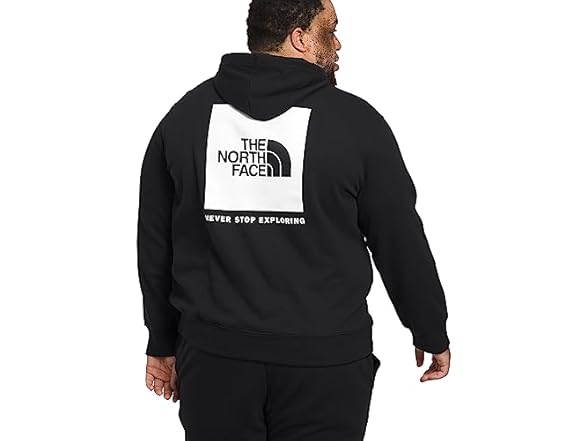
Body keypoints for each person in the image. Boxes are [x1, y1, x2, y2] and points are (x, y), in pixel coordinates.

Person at [137, 0, 451, 439]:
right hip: (324, 368)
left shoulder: (185, 118)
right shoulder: (356, 124)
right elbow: (399, 240)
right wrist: (429, 328)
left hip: (214, 364)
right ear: (299, 37)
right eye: (330, 29)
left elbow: (155, 243)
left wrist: (162, 341)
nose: (337, 44)